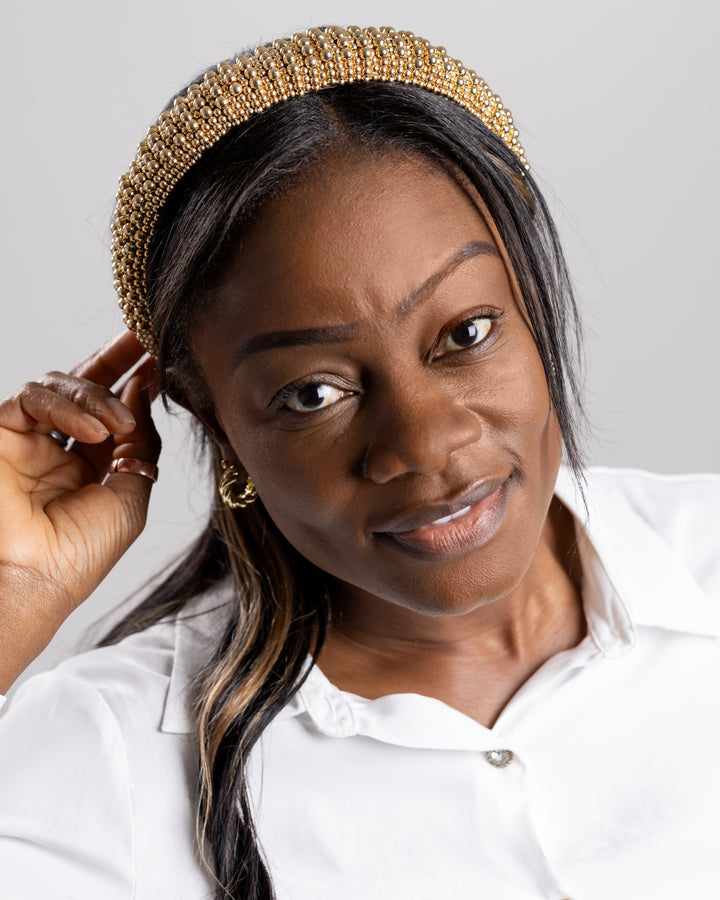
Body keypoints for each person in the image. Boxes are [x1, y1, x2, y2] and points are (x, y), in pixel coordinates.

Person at [0, 24, 718, 900]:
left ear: (528, 288)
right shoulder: (108, 755)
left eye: (466, 334)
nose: (424, 446)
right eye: (312, 394)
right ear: (213, 419)